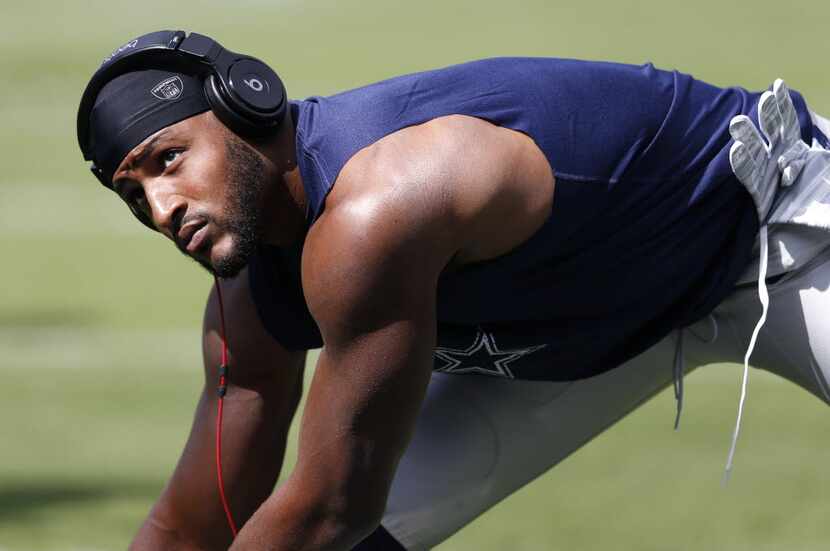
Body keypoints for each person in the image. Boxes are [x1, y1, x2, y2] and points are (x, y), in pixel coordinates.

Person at [76, 30, 830, 551]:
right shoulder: (248, 297)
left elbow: (335, 502)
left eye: (168, 158)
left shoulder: (378, 208)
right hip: (602, 329)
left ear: (248, 102)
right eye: (134, 195)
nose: (162, 207)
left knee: (326, 526)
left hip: (773, 225)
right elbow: (190, 523)